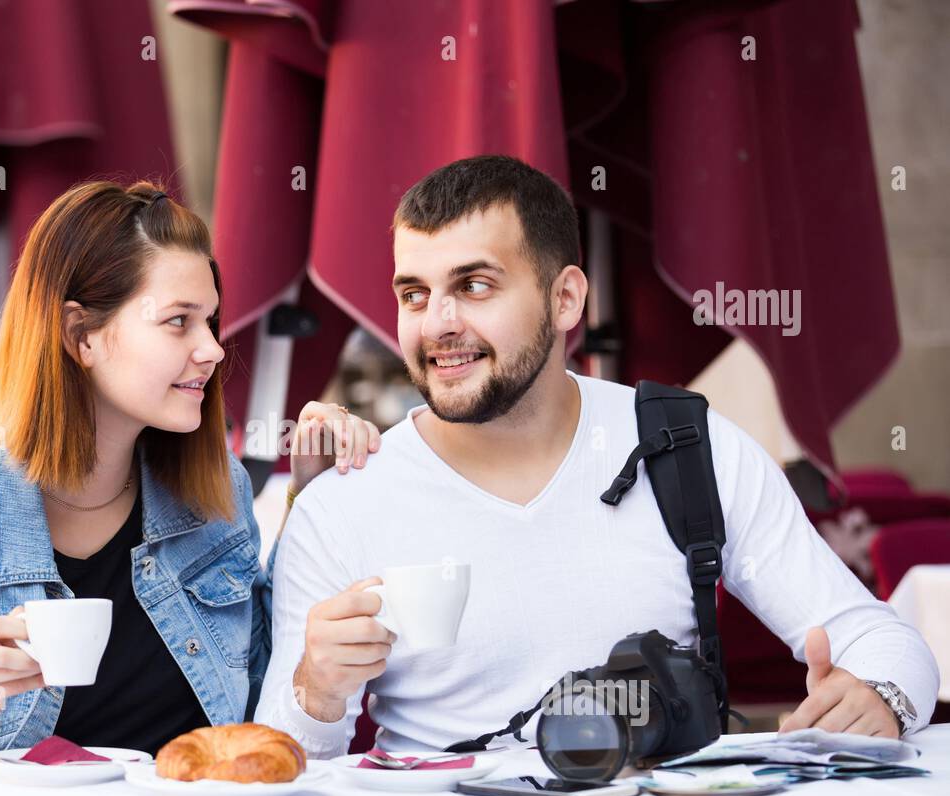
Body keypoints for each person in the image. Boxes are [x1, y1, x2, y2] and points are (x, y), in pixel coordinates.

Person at [256, 154, 939, 759]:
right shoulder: (345, 500)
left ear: (566, 298)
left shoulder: (689, 448)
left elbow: (887, 642)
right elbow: (282, 762)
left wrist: (877, 695)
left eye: (474, 285)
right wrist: (315, 692)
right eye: (415, 293)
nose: (438, 323)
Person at [0, 180, 379, 774]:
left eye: (211, 321)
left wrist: (313, 496)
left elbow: (264, 694)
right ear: (81, 336)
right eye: (179, 322)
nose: (214, 350)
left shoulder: (217, 494)